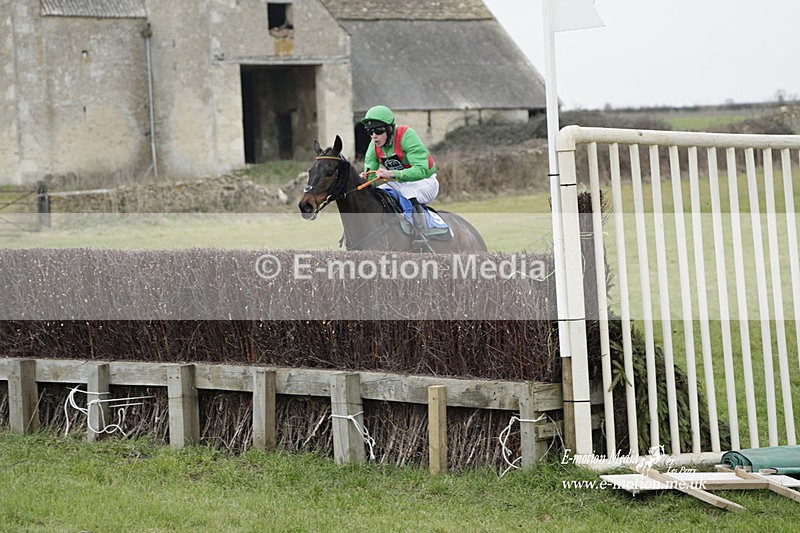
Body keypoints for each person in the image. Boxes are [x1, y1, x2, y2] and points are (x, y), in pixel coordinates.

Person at [359, 105, 439, 244]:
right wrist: (364, 178)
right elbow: (370, 175)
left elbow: (422, 170)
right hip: (400, 183)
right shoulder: (374, 145)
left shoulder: (406, 135)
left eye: (378, 130)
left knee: (407, 192)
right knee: (379, 193)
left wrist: (392, 173)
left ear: (390, 128)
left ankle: (422, 236)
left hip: (425, 182)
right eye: (370, 132)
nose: (374, 136)